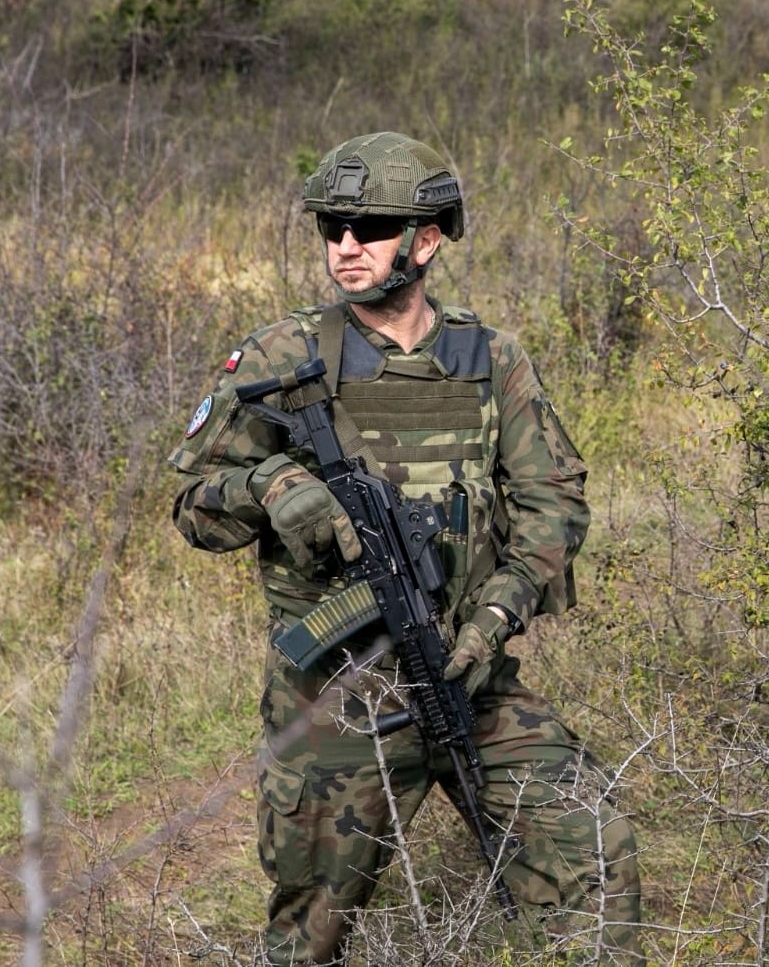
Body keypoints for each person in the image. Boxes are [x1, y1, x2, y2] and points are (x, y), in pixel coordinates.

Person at [168, 132, 642, 965]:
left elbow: (554, 502)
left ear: (427, 240)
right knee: (311, 927)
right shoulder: (284, 356)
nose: (344, 246)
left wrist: (495, 615)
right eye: (332, 226)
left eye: (372, 225)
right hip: (337, 700)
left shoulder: (490, 359)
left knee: (588, 853)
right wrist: (274, 488)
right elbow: (193, 508)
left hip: (469, 674)